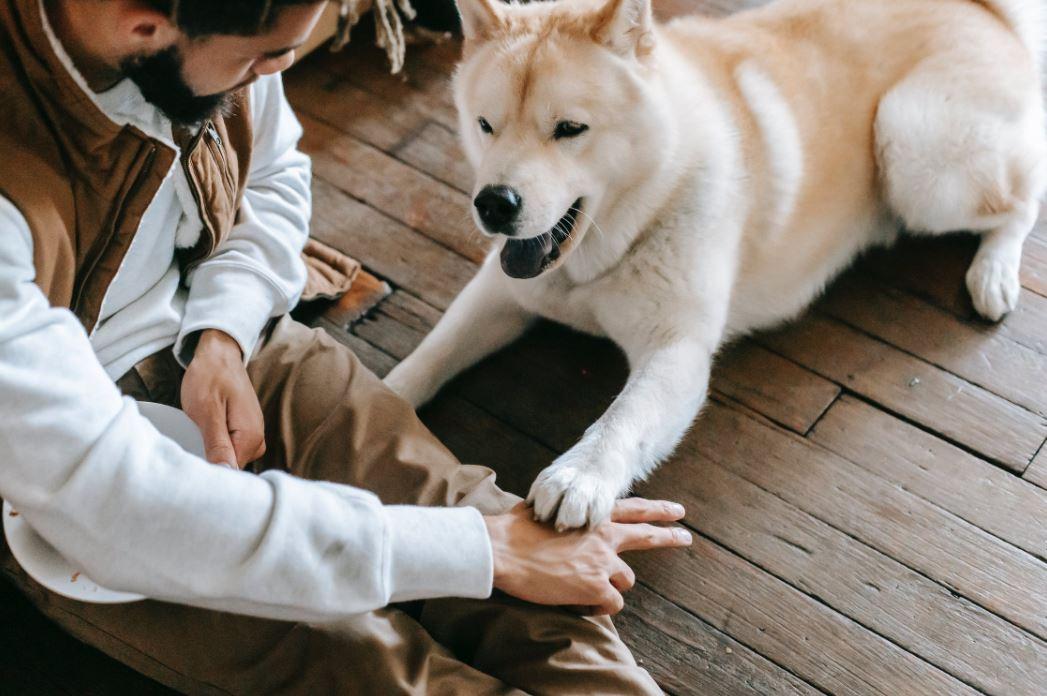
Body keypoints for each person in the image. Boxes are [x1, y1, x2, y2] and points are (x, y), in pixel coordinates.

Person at [0, 0, 693, 693]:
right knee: (366, 665)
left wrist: (223, 332)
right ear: (142, 28)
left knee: (513, 550)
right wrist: (478, 550)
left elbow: (272, 176)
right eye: (265, 59)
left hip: (234, 348)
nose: (276, 73)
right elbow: (118, 506)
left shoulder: (226, 26)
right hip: (41, 482)